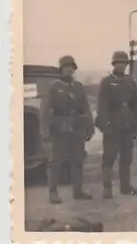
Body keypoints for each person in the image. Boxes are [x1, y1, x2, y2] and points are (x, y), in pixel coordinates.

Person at [40, 55, 94, 204]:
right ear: (61, 70)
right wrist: (45, 131)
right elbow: (45, 110)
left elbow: (86, 108)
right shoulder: (53, 88)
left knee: (77, 160)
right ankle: (53, 192)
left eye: (71, 67)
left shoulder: (78, 87)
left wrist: (89, 128)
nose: (69, 70)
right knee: (56, 161)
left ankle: (78, 190)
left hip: (77, 128)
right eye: (66, 67)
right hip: (59, 129)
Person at [96, 51, 137, 198]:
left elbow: (135, 104)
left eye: (124, 63)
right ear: (114, 64)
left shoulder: (130, 81)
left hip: (127, 124)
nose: (121, 66)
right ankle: (107, 187)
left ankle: (125, 186)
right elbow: (102, 105)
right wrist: (105, 123)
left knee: (126, 157)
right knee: (109, 157)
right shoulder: (107, 82)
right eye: (118, 63)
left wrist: (136, 125)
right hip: (112, 124)